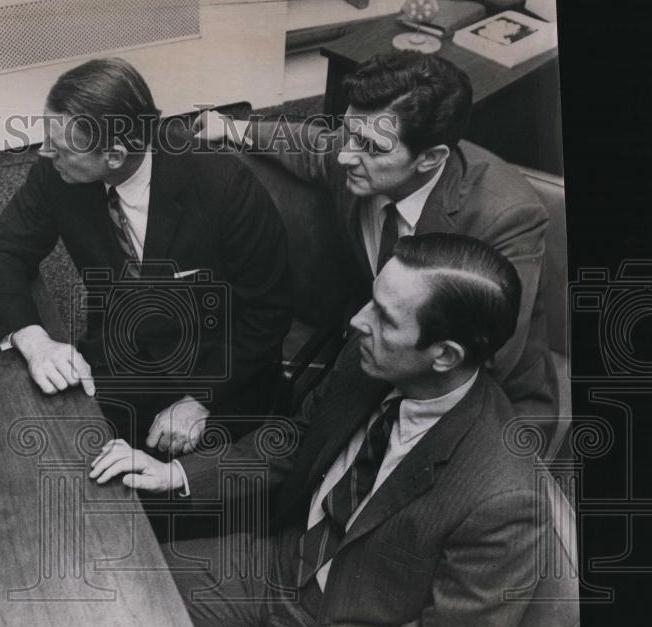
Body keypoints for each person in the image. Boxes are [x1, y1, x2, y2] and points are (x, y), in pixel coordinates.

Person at [92, 233, 569, 627]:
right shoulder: (367, 361)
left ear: (443, 355)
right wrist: (175, 473)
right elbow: (297, 440)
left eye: (384, 317)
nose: (358, 321)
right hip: (279, 563)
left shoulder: (506, 495)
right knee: (107, 584)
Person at [194, 50, 556, 424]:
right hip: (382, 350)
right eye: (348, 133)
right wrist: (234, 129)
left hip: (474, 399)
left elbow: (488, 357)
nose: (346, 155)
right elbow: (314, 146)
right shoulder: (361, 151)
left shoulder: (504, 217)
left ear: (430, 159)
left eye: (369, 147)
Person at [0, 57, 292, 463]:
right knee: (46, 446)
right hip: (119, 353)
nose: (46, 153)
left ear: (115, 156)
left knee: (161, 507)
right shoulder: (57, 173)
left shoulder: (224, 187)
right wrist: (35, 341)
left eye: (63, 148)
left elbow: (269, 311)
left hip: (219, 369)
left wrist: (201, 400)